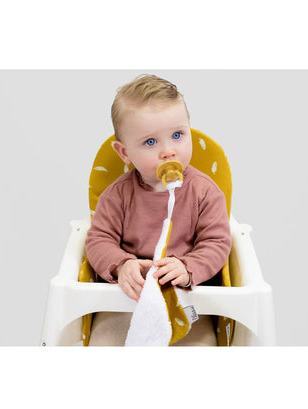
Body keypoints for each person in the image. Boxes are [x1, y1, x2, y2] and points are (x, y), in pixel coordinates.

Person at [85, 74, 231, 346]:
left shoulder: (206, 192)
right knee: (104, 341)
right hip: (130, 297)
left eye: (177, 135)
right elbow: (98, 240)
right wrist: (122, 265)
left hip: (186, 298)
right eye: (150, 142)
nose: (168, 151)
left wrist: (188, 267)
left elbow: (217, 242)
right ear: (124, 152)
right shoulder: (117, 196)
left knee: (202, 346)